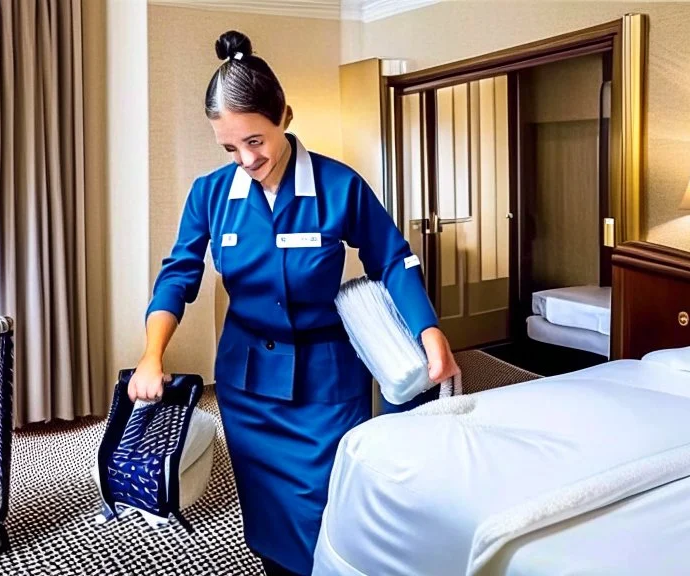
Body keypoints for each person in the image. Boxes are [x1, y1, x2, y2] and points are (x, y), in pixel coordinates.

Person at [128, 30, 460, 576]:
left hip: (326, 379)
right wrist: (151, 354)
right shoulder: (210, 194)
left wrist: (429, 332)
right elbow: (177, 276)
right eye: (230, 147)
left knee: (327, 499)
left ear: (285, 115)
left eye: (255, 141)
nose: (246, 158)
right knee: (264, 505)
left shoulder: (339, 185)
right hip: (247, 380)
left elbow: (393, 260)